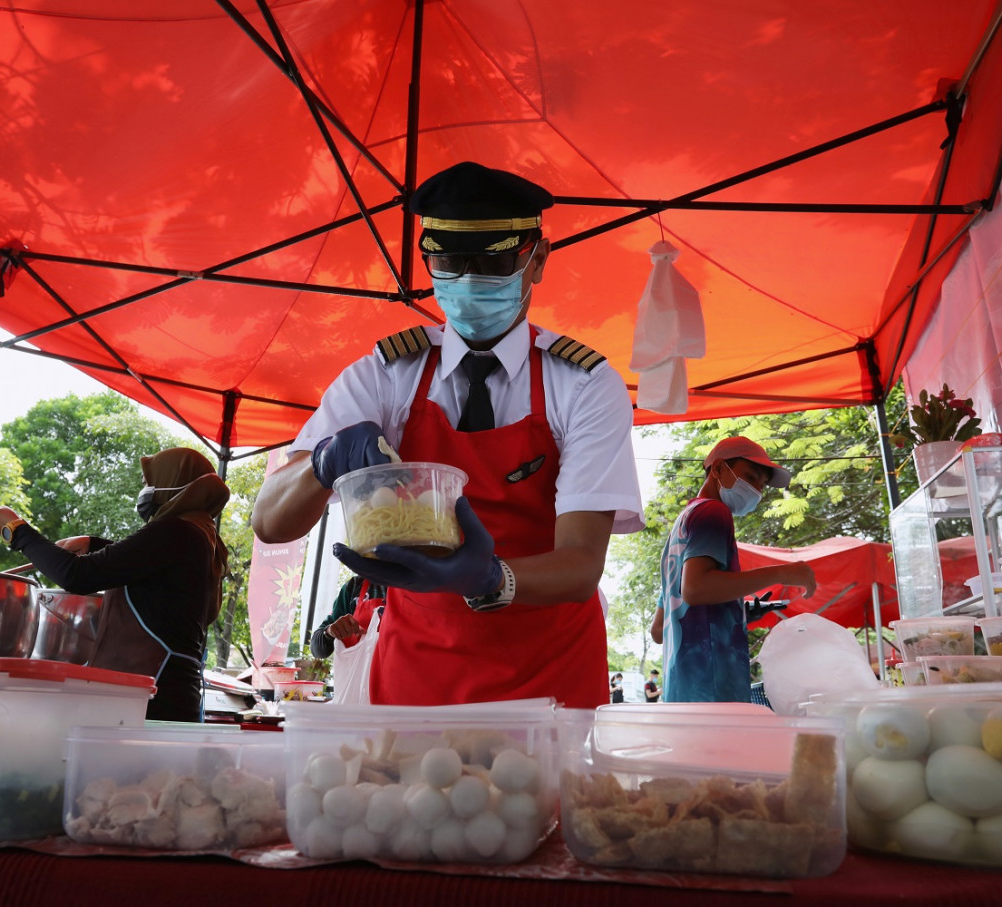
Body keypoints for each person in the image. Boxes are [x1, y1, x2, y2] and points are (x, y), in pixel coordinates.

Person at [252, 161, 644, 708]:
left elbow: (580, 565)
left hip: (548, 675)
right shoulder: (385, 375)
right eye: (449, 260)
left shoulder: (581, 384)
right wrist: (322, 463)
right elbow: (270, 521)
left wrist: (490, 578)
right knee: (405, 794)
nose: (468, 280)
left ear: (537, 260)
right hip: (418, 662)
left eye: (494, 261)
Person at [0, 447, 230, 722]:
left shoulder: (176, 531)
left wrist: (14, 530)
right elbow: (148, 565)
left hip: (151, 696)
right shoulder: (199, 534)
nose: (144, 492)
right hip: (164, 694)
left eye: (148, 484)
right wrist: (93, 544)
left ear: (173, 481)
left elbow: (78, 576)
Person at [650, 436, 816, 703]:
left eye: (761, 486)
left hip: (682, 692)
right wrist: (781, 573)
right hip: (713, 690)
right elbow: (697, 589)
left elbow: (660, 630)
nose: (756, 491)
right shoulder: (713, 512)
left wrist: (738, 612)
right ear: (717, 469)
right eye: (750, 477)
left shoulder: (680, 530)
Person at [309, 575, 386, 660]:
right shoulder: (355, 586)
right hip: (359, 670)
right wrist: (329, 632)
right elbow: (318, 650)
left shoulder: (402, 589)